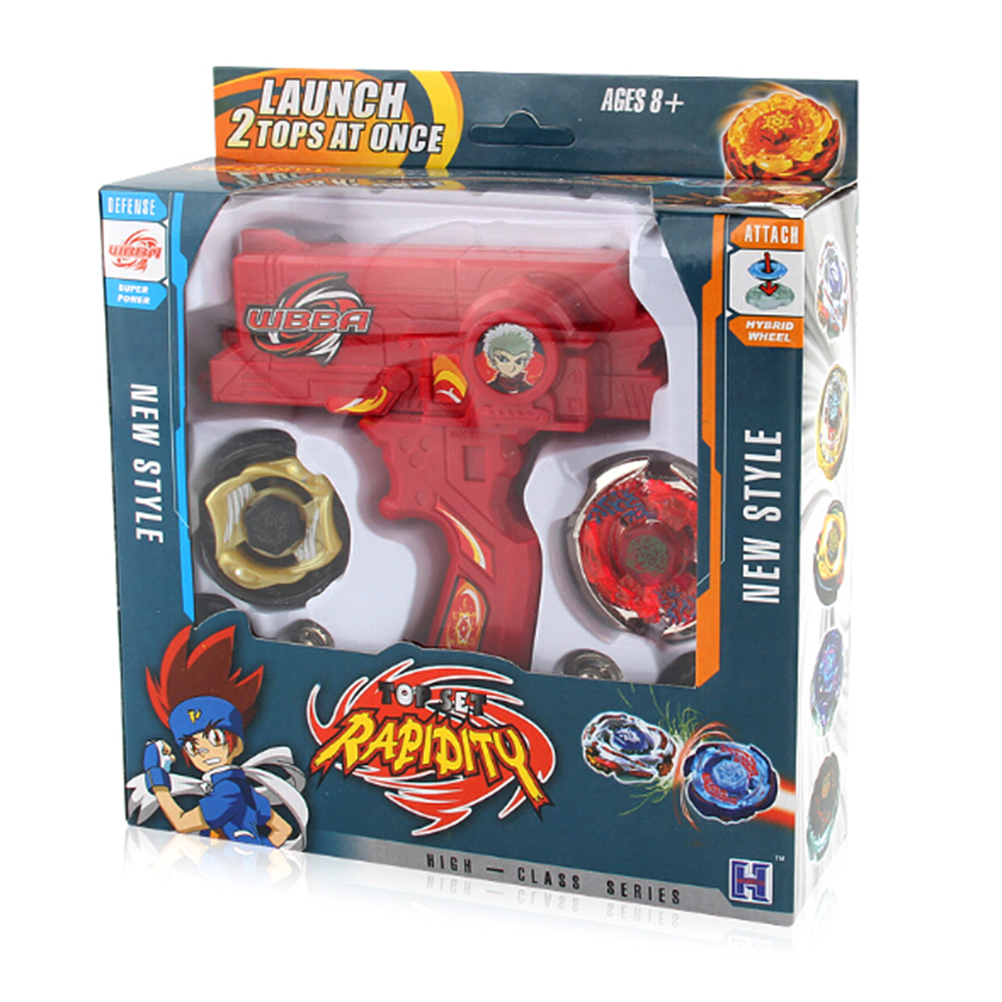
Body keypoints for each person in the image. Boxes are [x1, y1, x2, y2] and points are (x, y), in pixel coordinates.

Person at [128, 625, 308, 849]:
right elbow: (283, 829)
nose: (204, 751)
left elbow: (182, 823)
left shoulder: (228, 791)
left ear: (236, 745)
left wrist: (158, 779)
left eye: (214, 739)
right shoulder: (241, 787)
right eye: (193, 747)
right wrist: (260, 854)